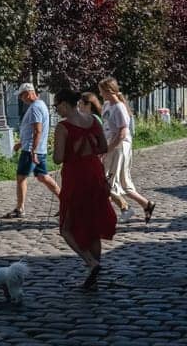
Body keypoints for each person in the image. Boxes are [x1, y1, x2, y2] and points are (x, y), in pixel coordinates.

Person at [52, 88, 117, 290]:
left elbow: (58, 158)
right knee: (93, 225)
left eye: (56, 106)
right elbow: (103, 147)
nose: (56, 110)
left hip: (75, 176)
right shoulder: (93, 121)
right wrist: (87, 151)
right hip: (94, 173)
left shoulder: (63, 127)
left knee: (66, 227)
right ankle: (93, 277)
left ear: (64, 104)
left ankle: (90, 262)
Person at [99, 77, 155, 221]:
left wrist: (107, 150)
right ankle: (146, 204)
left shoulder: (119, 107)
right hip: (110, 145)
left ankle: (118, 211)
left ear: (108, 90)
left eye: (101, 91)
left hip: (118, 148)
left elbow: (122, 133)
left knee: (108, 182)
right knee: (123, 183)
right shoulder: (106, 105)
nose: (100, 94)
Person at [5, 82, 60, 219]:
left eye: (22, 96)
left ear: (29, 93)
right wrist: (21, 143)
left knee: (21, 177)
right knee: (43, 177)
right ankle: (66, 202)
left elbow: (37, 130)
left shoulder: (35, 107)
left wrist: (32, 150)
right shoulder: (40, 105)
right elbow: (32, 131)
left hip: (31, 150)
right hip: (37, 148)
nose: (21, 99)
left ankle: (20, 208)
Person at [83, 92, 128, 218]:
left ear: (88, 105)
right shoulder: (88, 118)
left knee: (100, 185)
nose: (78, 106)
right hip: (92, 155)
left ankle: (122, 206)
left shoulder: (93, 119)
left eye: (80, 103)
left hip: (95, 155)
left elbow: (99, 137)